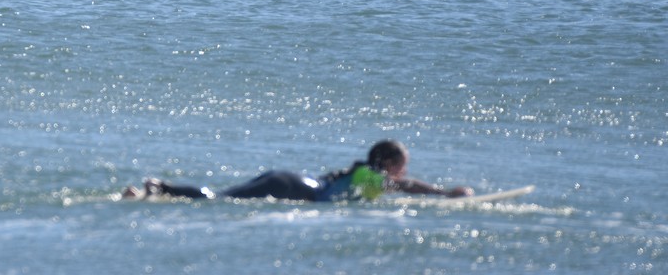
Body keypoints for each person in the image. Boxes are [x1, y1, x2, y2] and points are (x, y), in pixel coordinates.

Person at [121, 140, 474, 202]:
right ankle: (159, 187)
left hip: (289, 181)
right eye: (402, 165)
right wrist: (445, 193)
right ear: (391, 165)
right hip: (292, 187)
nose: (404, 172)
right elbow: (407, 186)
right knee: (219, 199)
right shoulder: (370, 176)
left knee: (223, 196)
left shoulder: (363, 176)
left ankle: (157, 191)